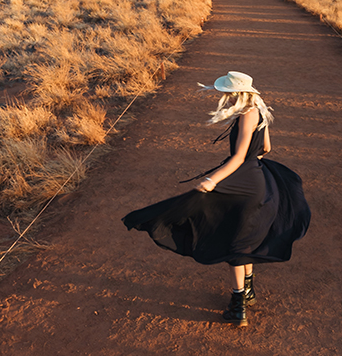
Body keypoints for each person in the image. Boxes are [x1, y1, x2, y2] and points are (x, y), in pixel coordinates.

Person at [123, 71, 310, 326]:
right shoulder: (259, 109)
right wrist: (253, 168)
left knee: (233, 243)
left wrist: (213, 179)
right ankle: (248, 292)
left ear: (237, 92)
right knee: (246, 239)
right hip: (257, 181)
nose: (225, 96)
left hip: (243, 184)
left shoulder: (246, 114)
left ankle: (237, 307)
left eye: (228, 92)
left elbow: (239, 157)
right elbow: (266, 148)